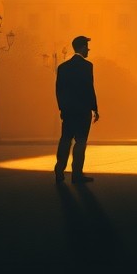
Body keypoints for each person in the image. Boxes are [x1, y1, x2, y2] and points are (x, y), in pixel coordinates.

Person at [55, 35, 99, 184]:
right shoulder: (87, 66)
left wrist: (62, 108)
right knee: (81, 142)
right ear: (81, 47)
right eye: (87, 47)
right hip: (82, 111)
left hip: (68, 111)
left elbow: (59, 90)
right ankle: (77, 174)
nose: (88, 49)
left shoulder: (62, 67)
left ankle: (59, 169)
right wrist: (94, 108)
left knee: (65, 139)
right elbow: (89, 88)